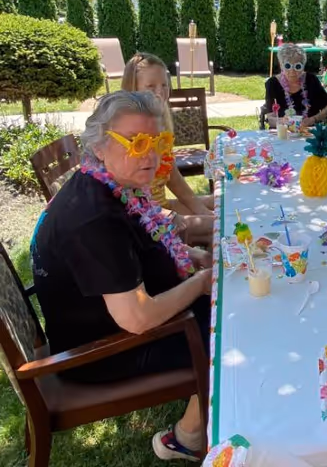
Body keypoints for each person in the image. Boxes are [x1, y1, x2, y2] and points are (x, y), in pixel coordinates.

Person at [31, 91, 213, 462]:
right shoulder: (92, 219)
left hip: (107, 324)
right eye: (136, 142)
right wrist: (202, 281)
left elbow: (142, 244)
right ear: (99, 147)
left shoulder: (113, 184)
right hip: (100, 353)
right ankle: (187, 437)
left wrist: (190, 255)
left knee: (233, 304)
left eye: (158, 141)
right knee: (230, 332)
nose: (151, 154)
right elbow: (138, 317)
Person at [122, 53, 213, 245]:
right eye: (151, 86)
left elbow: (170, 173)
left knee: (222, 202)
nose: (160, 91)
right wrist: (202, 215)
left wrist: (201, 210)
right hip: (147, 220)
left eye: (164, 85)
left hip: (162, 206)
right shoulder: (127, 131)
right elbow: (128, 199)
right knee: (220, 226)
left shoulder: (159, 121)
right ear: (133, 88)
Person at [265, 43, 327, 126]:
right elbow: (270, 118)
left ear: (303, 66)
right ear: (281, 66)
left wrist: (313, 119)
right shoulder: (272, 83)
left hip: (309, 132)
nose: (292, 71)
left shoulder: (311, 80)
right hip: (282, 132)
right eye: (287, 66)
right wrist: (283, 121)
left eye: (297, 67)